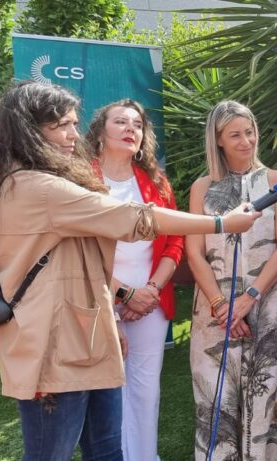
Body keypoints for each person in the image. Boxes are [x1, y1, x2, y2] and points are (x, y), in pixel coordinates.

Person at [0, 81, 259, 461]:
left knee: (106, 450)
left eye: (74, 123)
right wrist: (221, 224)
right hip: (53, 350)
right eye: (62, 125)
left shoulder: (47, 183)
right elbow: (130, 218)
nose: (75, 134)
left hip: (87, 339)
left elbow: (90, 262)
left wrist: (111, 315)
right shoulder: (36, 188)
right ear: (29, 129)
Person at [186, 100, 277, 460]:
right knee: (216, 400)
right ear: (217, 139)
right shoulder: (201, 188)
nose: (246, 141)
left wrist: (249, 297)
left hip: (270, 304)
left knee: (268, 398)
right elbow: (194, 253)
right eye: (235, 134)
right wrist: (222, 305)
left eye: (250, 132)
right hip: (214, 309)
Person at [84, 99, 183, 461]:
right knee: (106, 391)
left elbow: (174, 241)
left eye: (138, 124)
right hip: (97, 301)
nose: (131, 129)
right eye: (121, 122)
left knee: (145, 390)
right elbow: (79, 252)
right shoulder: (82, 181)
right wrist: (124, 294)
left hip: (151, 303)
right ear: (100, 132)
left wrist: (151, 290)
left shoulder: (156, 182)